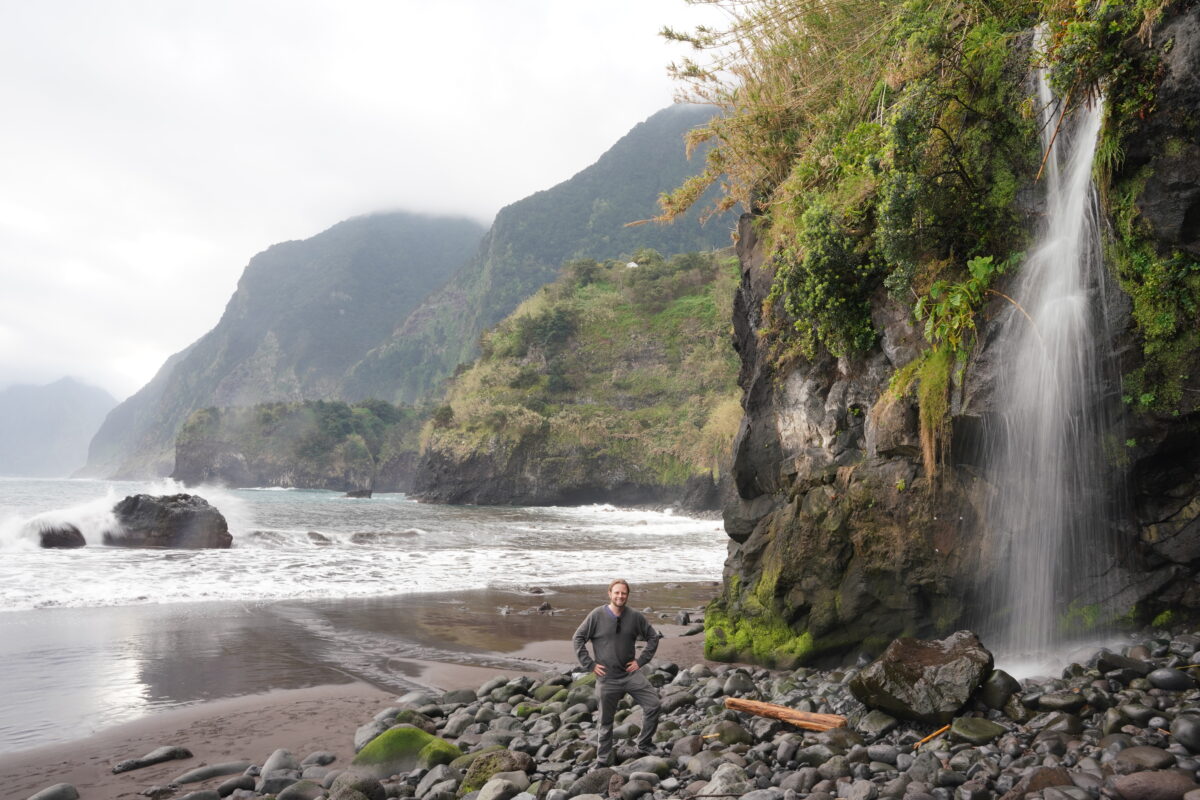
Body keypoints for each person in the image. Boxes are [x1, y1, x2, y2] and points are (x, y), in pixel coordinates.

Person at [572, 578, 662, 767]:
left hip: (630, 674)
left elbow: (653, 637)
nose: (620, 596)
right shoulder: (596, 615)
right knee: (605, 721)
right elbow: (578, 638)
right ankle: (603, 760)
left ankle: (644, 744)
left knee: (653, 705)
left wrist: (641, 661)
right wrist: (589, 665)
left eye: (624, 593)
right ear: (610, 594)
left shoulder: (635, 616)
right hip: (607, 678)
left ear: (627, 595)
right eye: (617, 593)